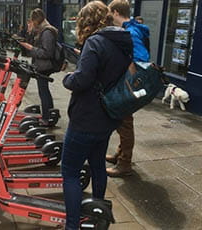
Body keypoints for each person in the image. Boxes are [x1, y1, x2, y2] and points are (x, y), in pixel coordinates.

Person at [61, 1, 133, 229]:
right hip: (108, 118)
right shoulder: (122, 42)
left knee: (70, 173)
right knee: (97, 166)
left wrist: (68, 78)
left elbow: (82, 80)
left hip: (86, 118)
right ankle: (97, 217)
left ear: (87, 21)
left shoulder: (95, 42)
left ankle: (72, 225)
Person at [106, 0, 150, 177]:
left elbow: (141, 57)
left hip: (128, 84)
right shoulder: (131, 28)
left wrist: (128, 71)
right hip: (127, 83)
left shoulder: (130, 32)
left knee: (125, 123)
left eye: (110, 13)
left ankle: (125, 163)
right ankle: (120, 154)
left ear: (116, 13)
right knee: (123, 121)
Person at [19, 9, 57, 126]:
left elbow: (47, 53)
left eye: (32, 21)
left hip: (45, 66)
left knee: (43, 91)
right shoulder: (41, 30)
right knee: (43, 90)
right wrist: (29, 32)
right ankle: (49, 114)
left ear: (36, 20)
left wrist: (31, 48)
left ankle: (47, 117)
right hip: (40, 65)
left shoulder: (47, 32)